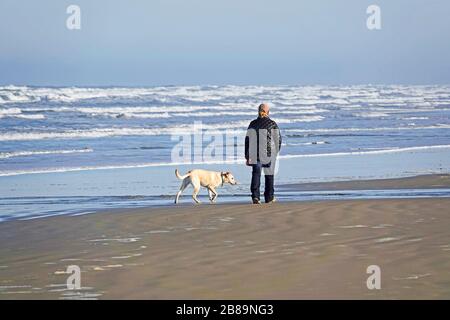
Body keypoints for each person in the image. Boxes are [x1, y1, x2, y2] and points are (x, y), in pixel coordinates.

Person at [244, 103, 282, 204]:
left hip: (254, 154)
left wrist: (247, 156)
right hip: (269, 155)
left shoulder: (252, 123)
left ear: (258, 111)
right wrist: (275, 152)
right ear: (268, 112)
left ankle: (255, 197)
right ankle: (269, 198)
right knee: (269, 176)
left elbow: (247, 140)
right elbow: (278, 139)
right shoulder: (272, 123)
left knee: (256, 175)